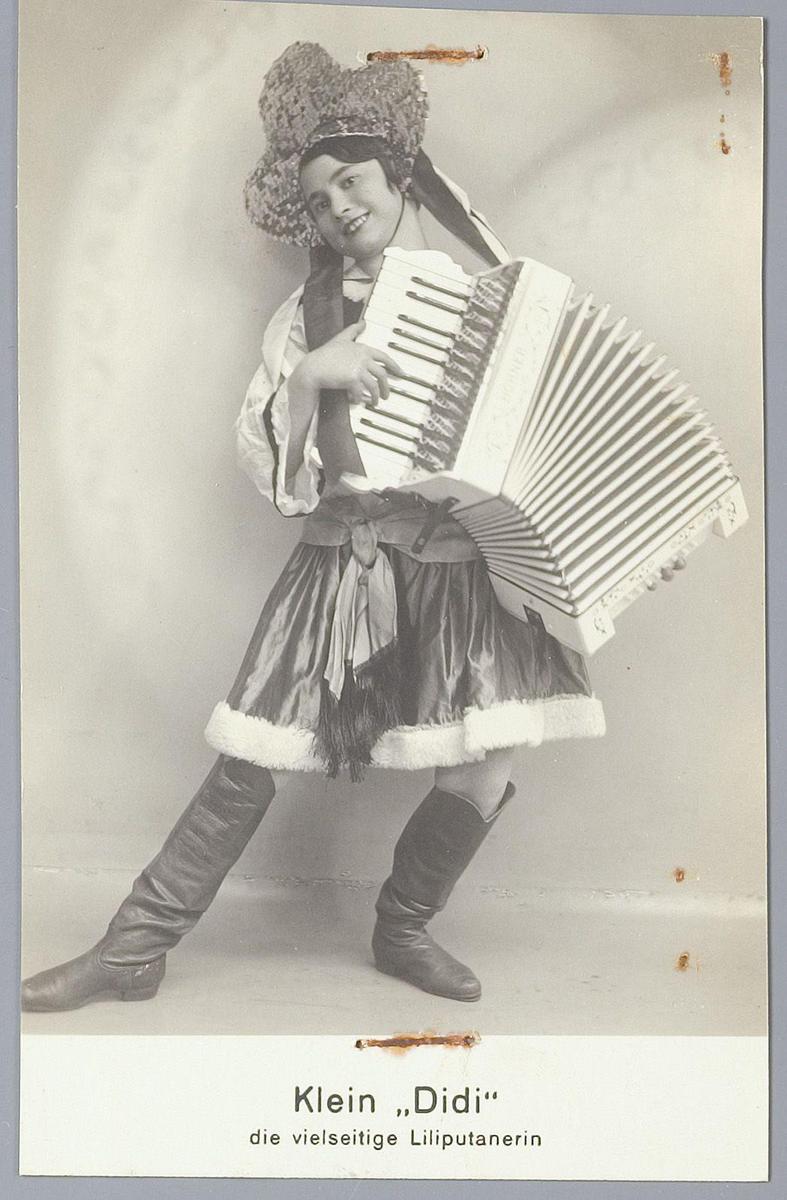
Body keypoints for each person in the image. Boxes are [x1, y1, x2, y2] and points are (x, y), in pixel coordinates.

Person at [21, 42, 605, 1014]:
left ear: (398, 175)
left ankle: (403, 927)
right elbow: (274, 469)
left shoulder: (488, 293)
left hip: (457, 563)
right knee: (255, 752)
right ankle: (133, 948)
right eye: (320, 198)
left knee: (484, 760)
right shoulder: (308, 314)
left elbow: (553, 431)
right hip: (350, 559)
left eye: (352, 181)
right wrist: (306, 380)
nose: (338, 207)